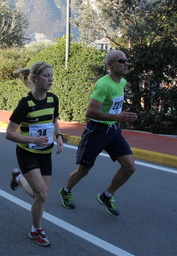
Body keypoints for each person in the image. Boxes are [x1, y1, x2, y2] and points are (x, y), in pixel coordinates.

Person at [58, 50, 138, 217]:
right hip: (96, 131)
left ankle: (106, 195)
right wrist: (117, 116)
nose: (126, 63)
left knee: (130, 167)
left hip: (113, 130)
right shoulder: (103, 84)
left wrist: (120, 118)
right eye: (121, 61)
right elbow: (90, 112)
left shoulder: (122, 82)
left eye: (127, 60)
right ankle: (66, 190)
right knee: (84, 170)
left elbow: (112, 106)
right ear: (110, 65)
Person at [6, 61, 64, 247]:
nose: (50, 79)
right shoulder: (25, 104)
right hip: (27, 153)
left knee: (40, 195)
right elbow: (9, 133)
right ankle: (36, 230)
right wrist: (33, 140)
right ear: (35, 78)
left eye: (52, 75)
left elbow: (54, 120)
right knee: (43, 195)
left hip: (45, 153)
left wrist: (60, 136)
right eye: (47, 75)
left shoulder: (53, 99)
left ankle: (19, 178)